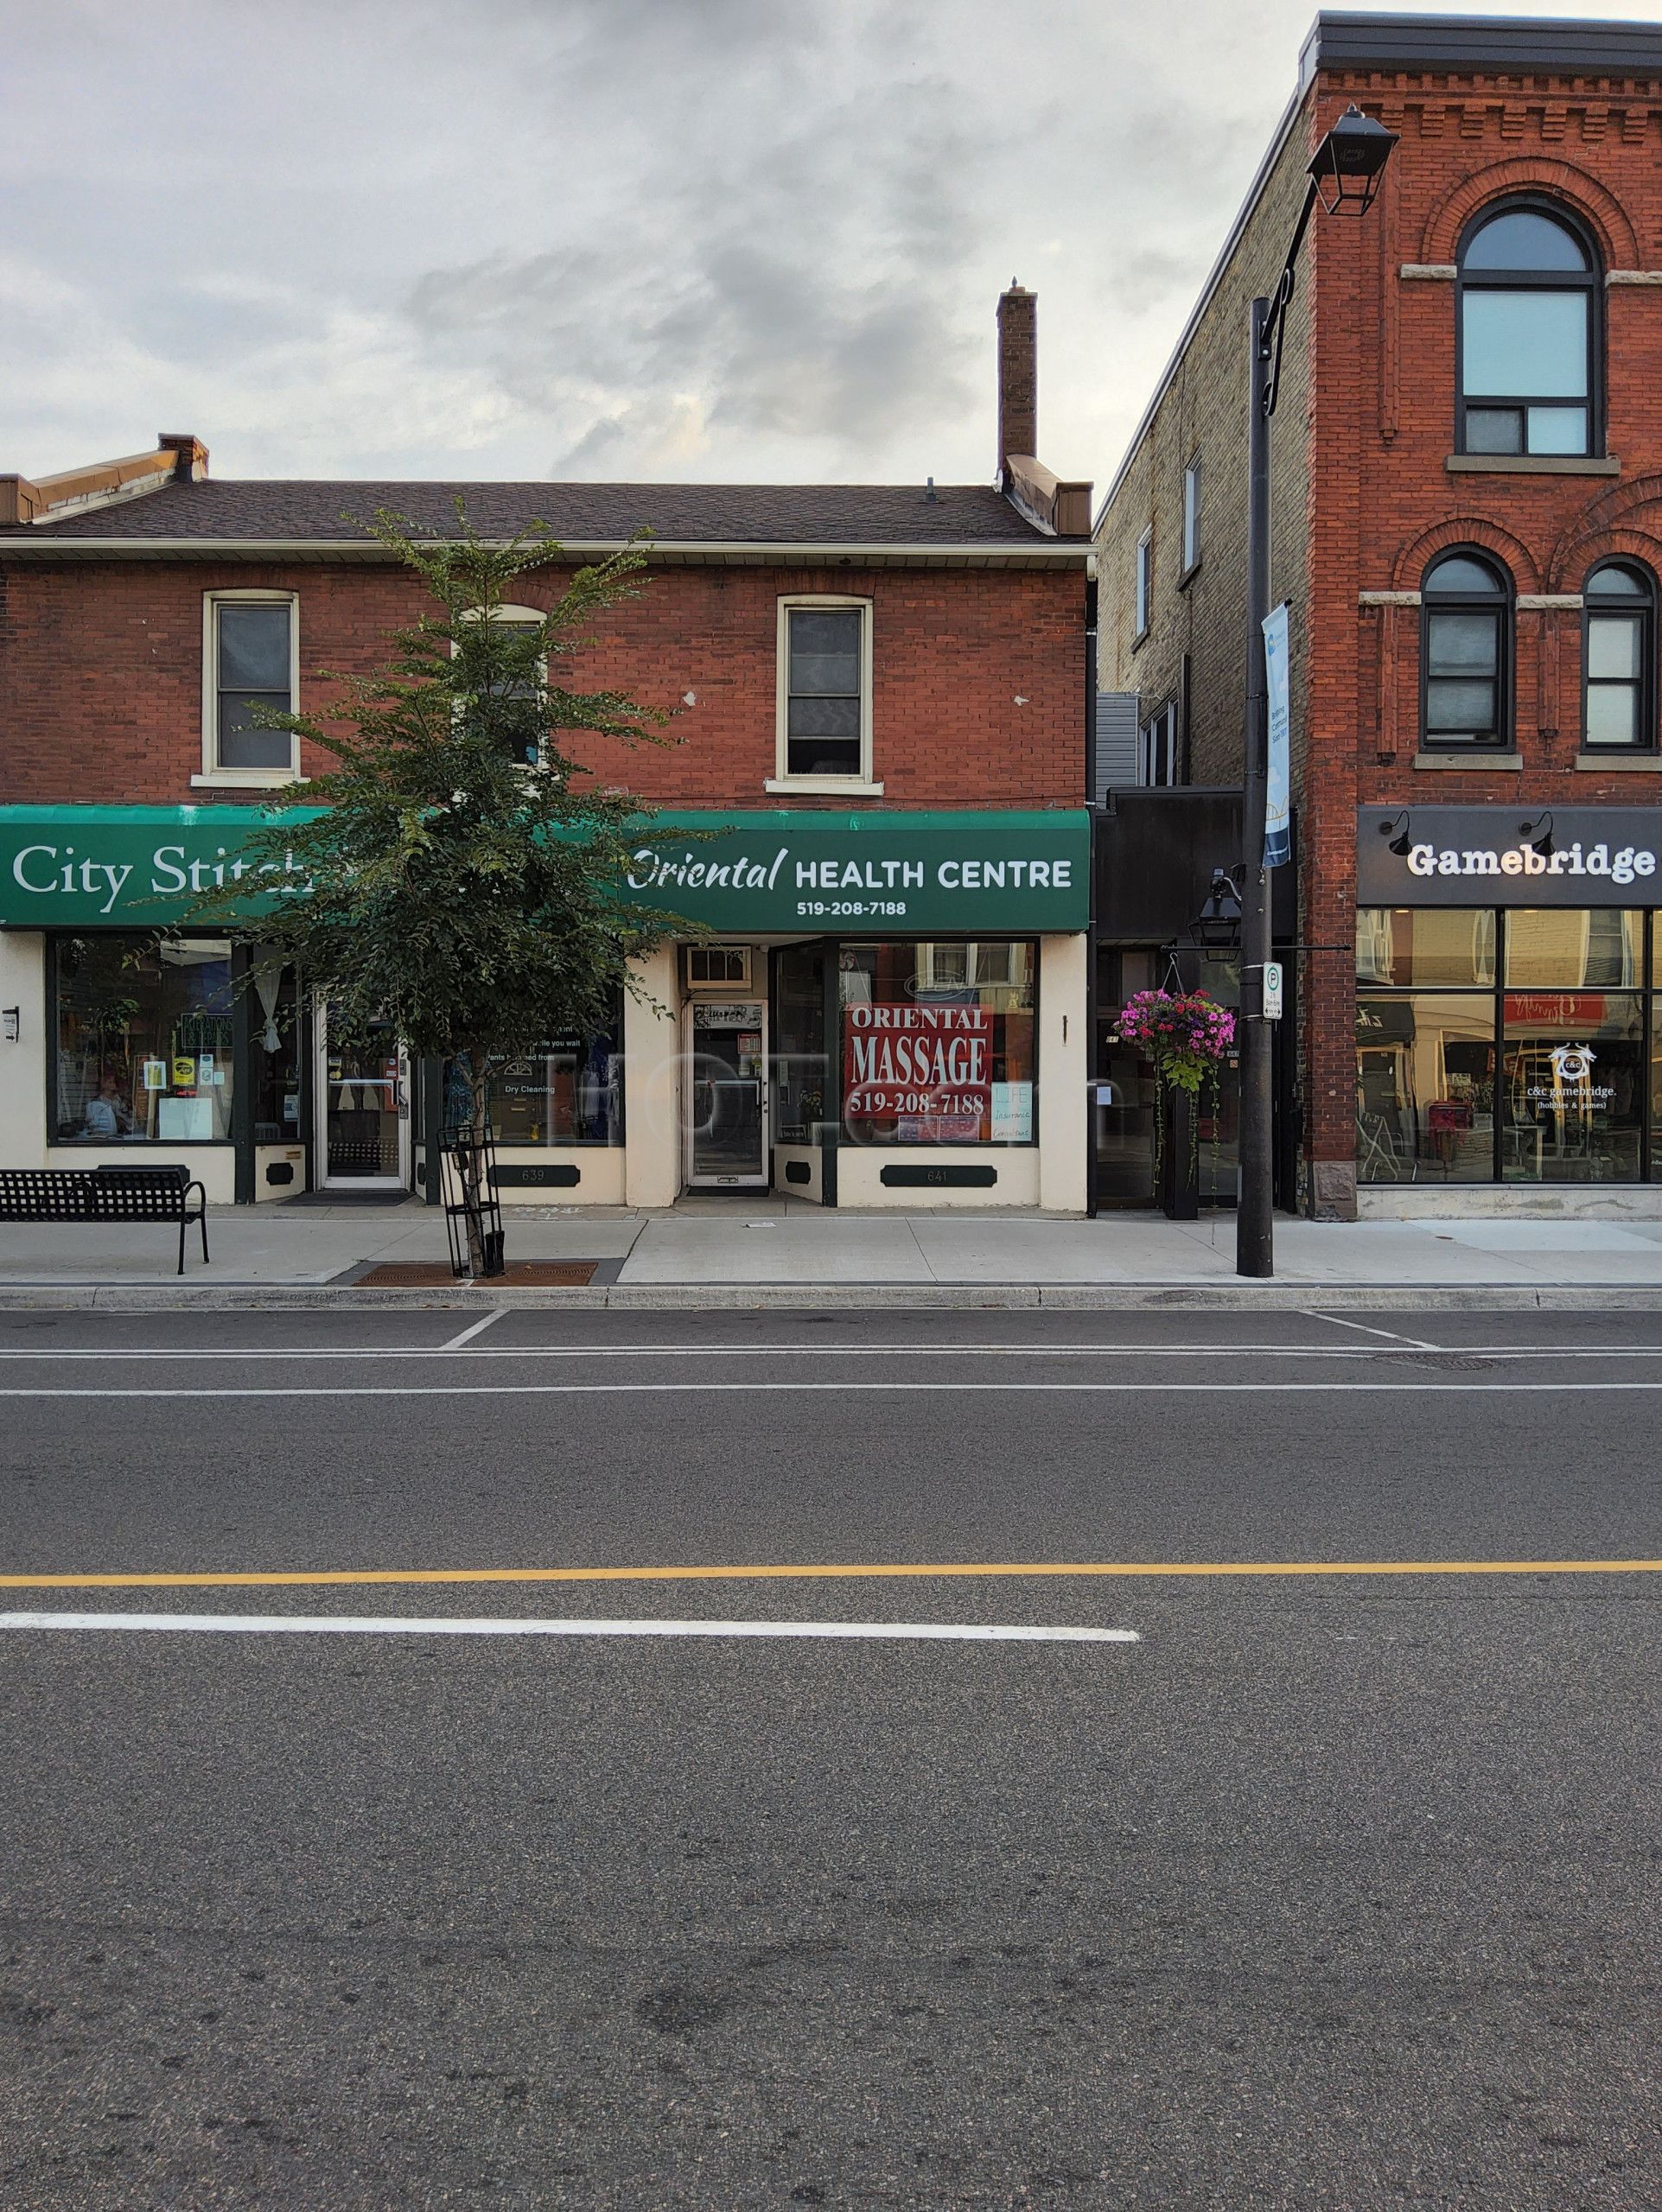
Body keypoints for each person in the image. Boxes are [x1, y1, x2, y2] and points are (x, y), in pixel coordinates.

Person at [82, 1071, 137, 1139]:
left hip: (124, 1133)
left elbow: (127, 1118)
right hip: (103, 1135)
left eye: (114, 1082)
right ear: (103, 1084)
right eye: (110, 1082)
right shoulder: (96, 1102)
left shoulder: (119, 1100)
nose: (113, 1085)